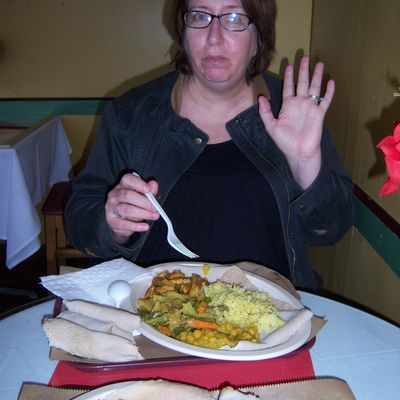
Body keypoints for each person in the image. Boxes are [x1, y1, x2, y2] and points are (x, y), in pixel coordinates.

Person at [65, 0, 355, 290]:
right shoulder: (131, 115)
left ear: (259, 37)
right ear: (183, 29)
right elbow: (80, 224)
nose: (214, 37)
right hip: (152, 305)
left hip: (273, 309)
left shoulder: (292, 110)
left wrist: (304, 164)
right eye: (200, 16)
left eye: (234, 17)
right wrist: (113, 223)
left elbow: (331, 229)